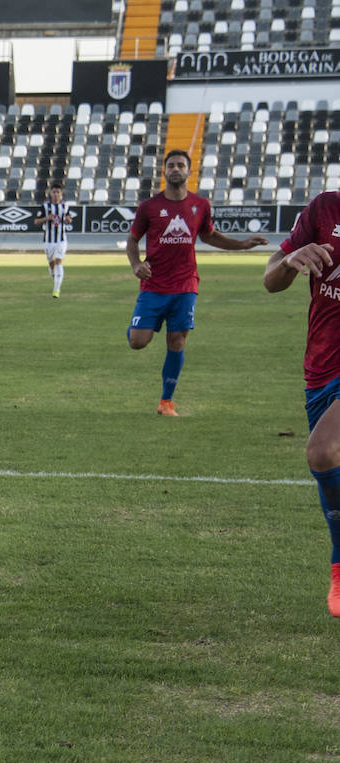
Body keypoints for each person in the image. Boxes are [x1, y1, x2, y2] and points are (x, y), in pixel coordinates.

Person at [125, 149, 268, 417]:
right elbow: (132, 240)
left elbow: (209, 236)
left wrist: (242, 245)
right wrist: (136, 265)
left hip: (186, 284)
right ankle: (137, 327)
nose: (175, 169)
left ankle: (166, 402)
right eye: (171, 165)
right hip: (154, 285)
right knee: (137, 342)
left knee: (177, 341)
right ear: (164, 171)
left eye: (180, 165)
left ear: (189, 171)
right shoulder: (149, 207)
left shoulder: (200, 205)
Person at [263, 189, 340, 616]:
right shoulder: (324, 208)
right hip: (321, 370)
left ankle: (338, 566)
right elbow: (269, 279)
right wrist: (288, 264)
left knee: (322, 450)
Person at [33, 181, 72, 298]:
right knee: (51, 264)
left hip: (61, 239)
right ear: (51, 193)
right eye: (54, 192)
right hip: (48, 240)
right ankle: (56, 280)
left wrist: (69, 220)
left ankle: (56, 290)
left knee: (58, 260)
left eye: (58, 192)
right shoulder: (45, 207)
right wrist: (47, 218)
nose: (56, 194)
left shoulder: (65, 206)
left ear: (61, 194)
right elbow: (36, 221)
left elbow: (69, 218)